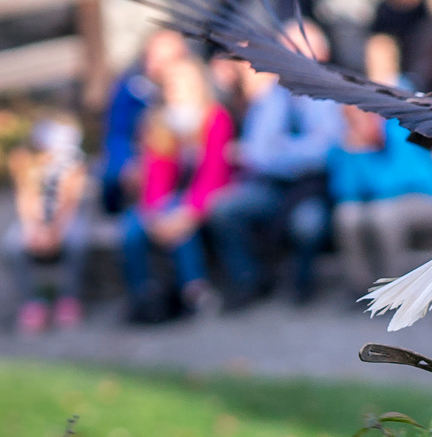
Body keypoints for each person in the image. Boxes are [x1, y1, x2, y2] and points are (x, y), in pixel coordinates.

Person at [206, 24, 344, 306]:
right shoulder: (270, 96)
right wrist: (291, 154)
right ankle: (249, 280)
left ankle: (302, 282)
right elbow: (255, 152)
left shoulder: (335, 94)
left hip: (315, 187)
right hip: (272, 185)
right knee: (224, 210)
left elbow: (328, 151)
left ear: (321, 52)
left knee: (307, 224)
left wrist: (280, 150)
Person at [121, 58, 231, 321]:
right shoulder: (159, 122)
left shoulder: (215, 119)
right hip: (167, 201)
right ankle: (142, 294)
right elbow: (155, 173)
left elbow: (213, 174)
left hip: (202, 197)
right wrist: (154, 212)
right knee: (132, 229)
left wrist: (190, 212)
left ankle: (195, 290)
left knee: (181, 227)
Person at [328, 106, 432, 304]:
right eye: (351, 120)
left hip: (423, 198)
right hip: (379, 203)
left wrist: (365, 154)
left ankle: (393, 287)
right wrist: (354, 155)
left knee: (383, 214)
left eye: (361, 117)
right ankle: (360, 288)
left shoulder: (398, 131)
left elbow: (397, 182)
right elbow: (344, 192)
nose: (357, 123)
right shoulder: (346, 143)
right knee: (346, 214)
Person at [0, 117, 90, 334]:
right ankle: (32, 302)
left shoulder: (73, 165)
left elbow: (70, 203)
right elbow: (25, 199)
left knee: (77, 241)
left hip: (65, 220)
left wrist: (54, 231)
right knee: (12, 245)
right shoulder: (26, 162)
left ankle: (68, 299)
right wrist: (33, 228)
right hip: (36, 222)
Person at [99, 29, 191, 213]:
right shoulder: (131, 89)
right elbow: (117, 133)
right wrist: (127, 164)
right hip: (139, 163)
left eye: (164, 61)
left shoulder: (192, 93)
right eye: (152, 58)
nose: (155, 66)